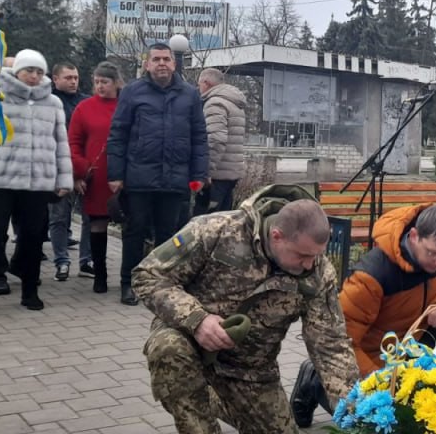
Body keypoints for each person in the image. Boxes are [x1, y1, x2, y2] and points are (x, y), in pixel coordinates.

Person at [132, 187, 358, 433]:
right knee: (168, 349)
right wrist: (196, 319)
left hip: (250, 369)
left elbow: (330, 345)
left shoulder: (318, 273)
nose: (309, 265)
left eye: (316, 256)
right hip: (189, 342)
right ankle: (193, 397)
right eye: (302, 255)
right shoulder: (216, 230)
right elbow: (148, 275)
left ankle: (213, 397)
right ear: (277, 236)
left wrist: (355, 412)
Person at [290, 203, 436, 427]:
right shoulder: (372, 275)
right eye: (432, 254)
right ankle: (314, 380)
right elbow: (343, 339)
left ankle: (426, 384)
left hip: (410, 345)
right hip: (369, 355)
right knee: (368, 420)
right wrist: (379, 382)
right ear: (414, 236)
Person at [0, 49, 72, 319]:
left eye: (39, 71)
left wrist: (63, 179)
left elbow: (61, 143)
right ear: (17, 72)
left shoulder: (53, 103)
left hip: (37, 184)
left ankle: (29, 290)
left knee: (33, 239)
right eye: (28, 70)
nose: (34, 76)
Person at [107, 43, 208, 307]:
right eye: (156, 59)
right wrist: (115, 174)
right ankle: (129, 283)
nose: (161, 63)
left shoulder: (190, 95)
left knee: (169, 235)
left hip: (175, 179)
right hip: (138, 177)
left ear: (174, 63)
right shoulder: (132, 92)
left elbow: (199, 137)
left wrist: (199, 174)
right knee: (135, 231)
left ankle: (161, 285)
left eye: (166, 59)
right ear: (147, 64)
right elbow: (118, 134)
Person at [69, 61, 123, 294]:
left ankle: (129, 277)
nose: (100, 86)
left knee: (130, 226)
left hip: (124, 176)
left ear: (116, 83)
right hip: (96, 177)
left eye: (105, 82)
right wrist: (79, 172)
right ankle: (99, 275)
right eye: (97, 82)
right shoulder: (84, 108)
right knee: (97, 225)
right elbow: (73, 143)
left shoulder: (126, 105)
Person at [47, 62, 90, 282]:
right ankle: (61, 261)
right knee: (59, 218)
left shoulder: (86, 102)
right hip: (58, 169)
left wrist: (82, 171)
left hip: (86, 169)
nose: (73, 81)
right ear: (55, 79)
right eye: (68, 78)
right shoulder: (48, 103)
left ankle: (87, 261)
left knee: (90, 217)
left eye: (76, 77)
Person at [196, 68, 246, 216]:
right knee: (224, 219)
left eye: (199, 84)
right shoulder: (234, 102)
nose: (198, 88)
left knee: (205, 219)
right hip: (231, 172)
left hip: (217, 174)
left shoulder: (214, 103)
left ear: (206, 83)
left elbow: (216, 139)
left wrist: (206, 171)